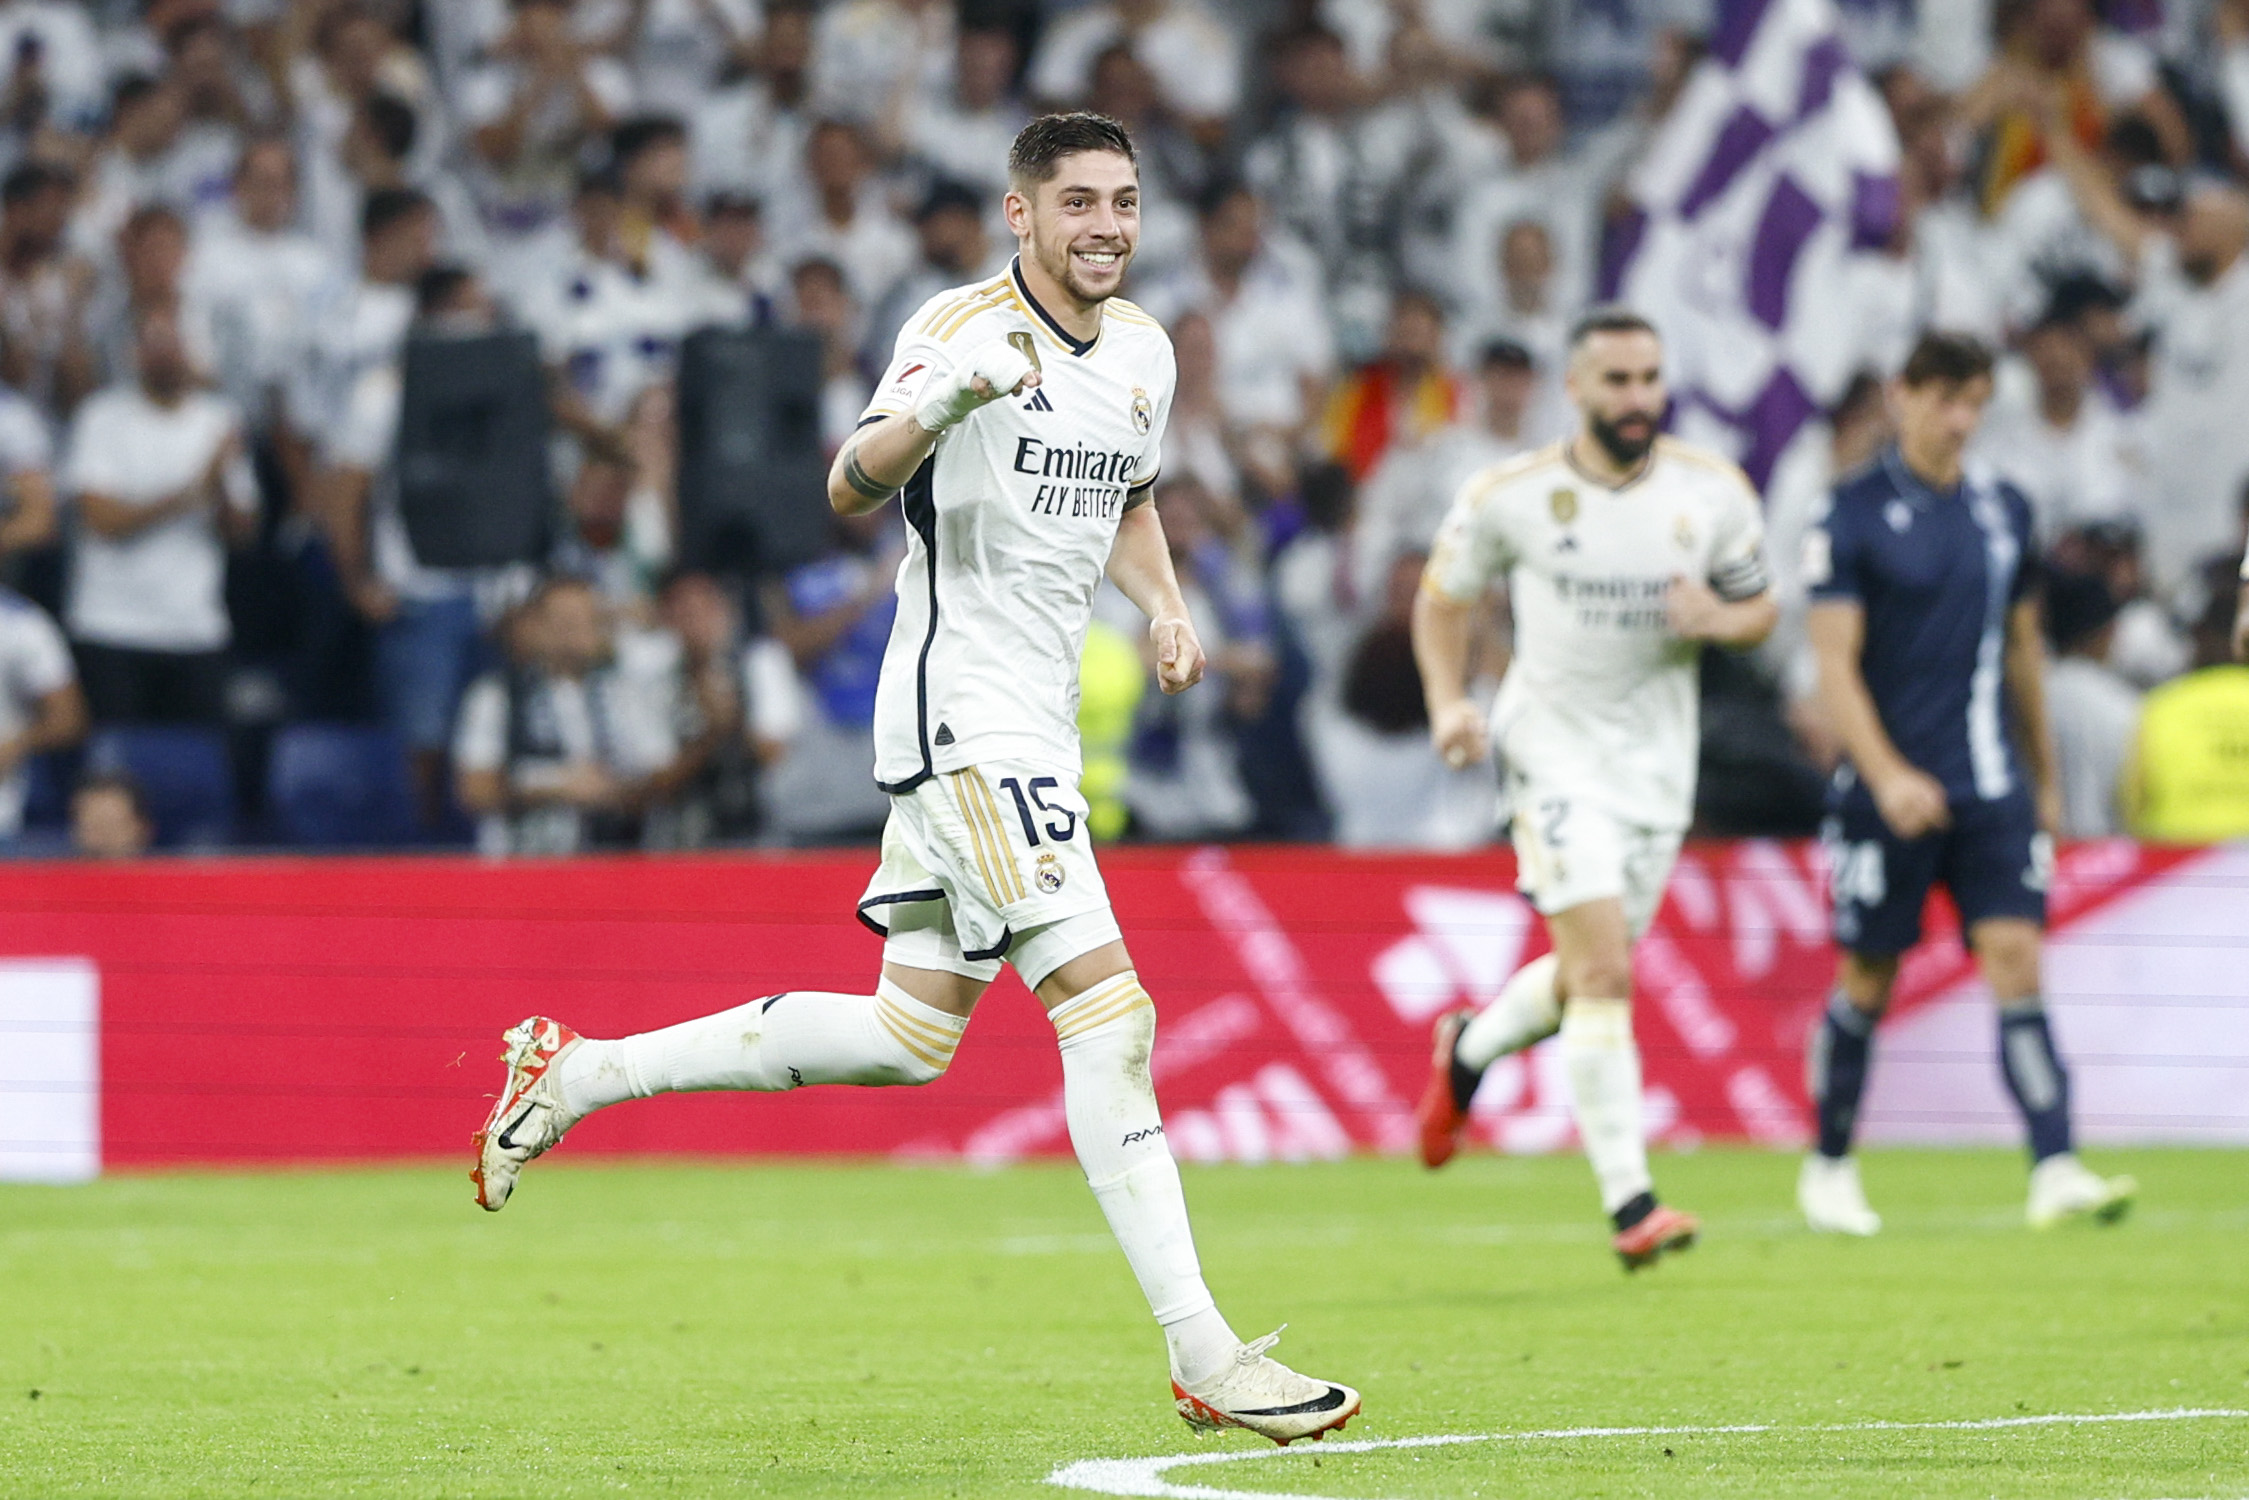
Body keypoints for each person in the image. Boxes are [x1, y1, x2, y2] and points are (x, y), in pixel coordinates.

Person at [468, 112, 1361, 1447]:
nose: (1106, 227)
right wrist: (945, 402)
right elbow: (846, 478)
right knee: (1110, 1021)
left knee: (909, 1040)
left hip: (1030, 727)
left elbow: (1128, 496)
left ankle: (582, 1073)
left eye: (1123, 202)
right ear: (1021, 214)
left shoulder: (1142, 352)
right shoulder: (959, 327)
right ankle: (1207, 1352)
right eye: (1078, 204)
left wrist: (1167, 608)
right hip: (967, 722)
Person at [1409, 308, 1778, 1271]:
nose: (1634, 398)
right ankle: (1631, 1204)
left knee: (1584, 977)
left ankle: (1469, 1048)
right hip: (1551, 752)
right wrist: (1450, 704)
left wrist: (1720, 618)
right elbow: (1441, 599)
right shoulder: (1511, 495)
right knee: (1605, 970)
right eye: (1614, 381)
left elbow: (1761, 608)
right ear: (1574, 389)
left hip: (1656, 768)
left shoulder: (1712, 494)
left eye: (1647, 379)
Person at [1797, 331, 2135, 1237]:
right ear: (1902, 397)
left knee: (2015, 958)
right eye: (1946, 398)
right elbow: (1833, 664)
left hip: (1989, 784)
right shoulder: (1849, 515)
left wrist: (2047, 780)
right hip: (1887, 789)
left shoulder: (2005, 509)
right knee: (1868, 973)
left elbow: (2023, 650)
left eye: (1976, 401)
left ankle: (2055, 1164)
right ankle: (1828, 1165)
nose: (1961, 419)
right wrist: (1886, 774)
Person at [62, 302, 257, 723]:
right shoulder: (102, 417)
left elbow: (241, 533)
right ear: (134, 353)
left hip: (195, 627)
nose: (167, 355)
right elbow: (102, 521)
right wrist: (195, 488)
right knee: (114, 767)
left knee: (195, 774)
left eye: (175, 344)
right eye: (155, 344)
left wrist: (220, 485)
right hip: (109, 624)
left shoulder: (218, 419)